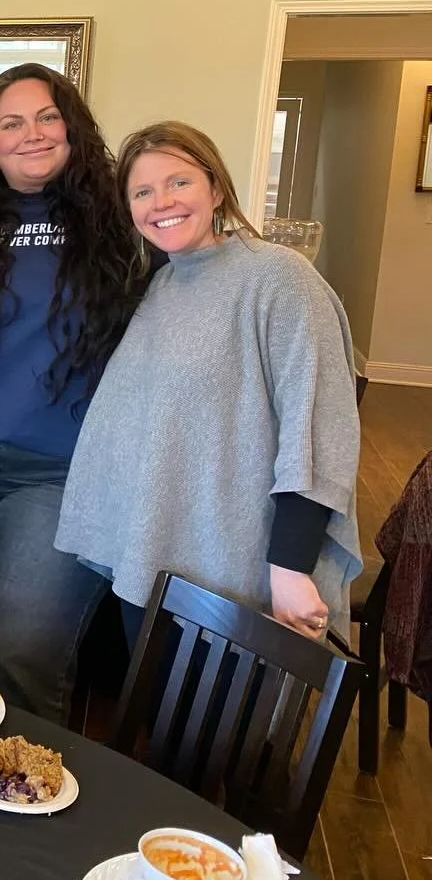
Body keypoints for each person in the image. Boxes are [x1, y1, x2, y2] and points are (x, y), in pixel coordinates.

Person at [57, 121, 361, 643]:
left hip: (239, 567)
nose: (162, 202)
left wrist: (291, 564)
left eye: (179, 182)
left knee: (216, 698)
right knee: (152, 695)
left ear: (216, 188)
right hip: (152, 549)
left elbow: (316, 427)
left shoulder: (278, 277)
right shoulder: (163, 282)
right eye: (142, 192)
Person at [0, 62, 144, 724]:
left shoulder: (123, 228)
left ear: (72, 130)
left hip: (59, 473)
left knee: (24, 660)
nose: (32, 133)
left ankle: (27, 783)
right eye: (12, 123)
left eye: (47, 117)